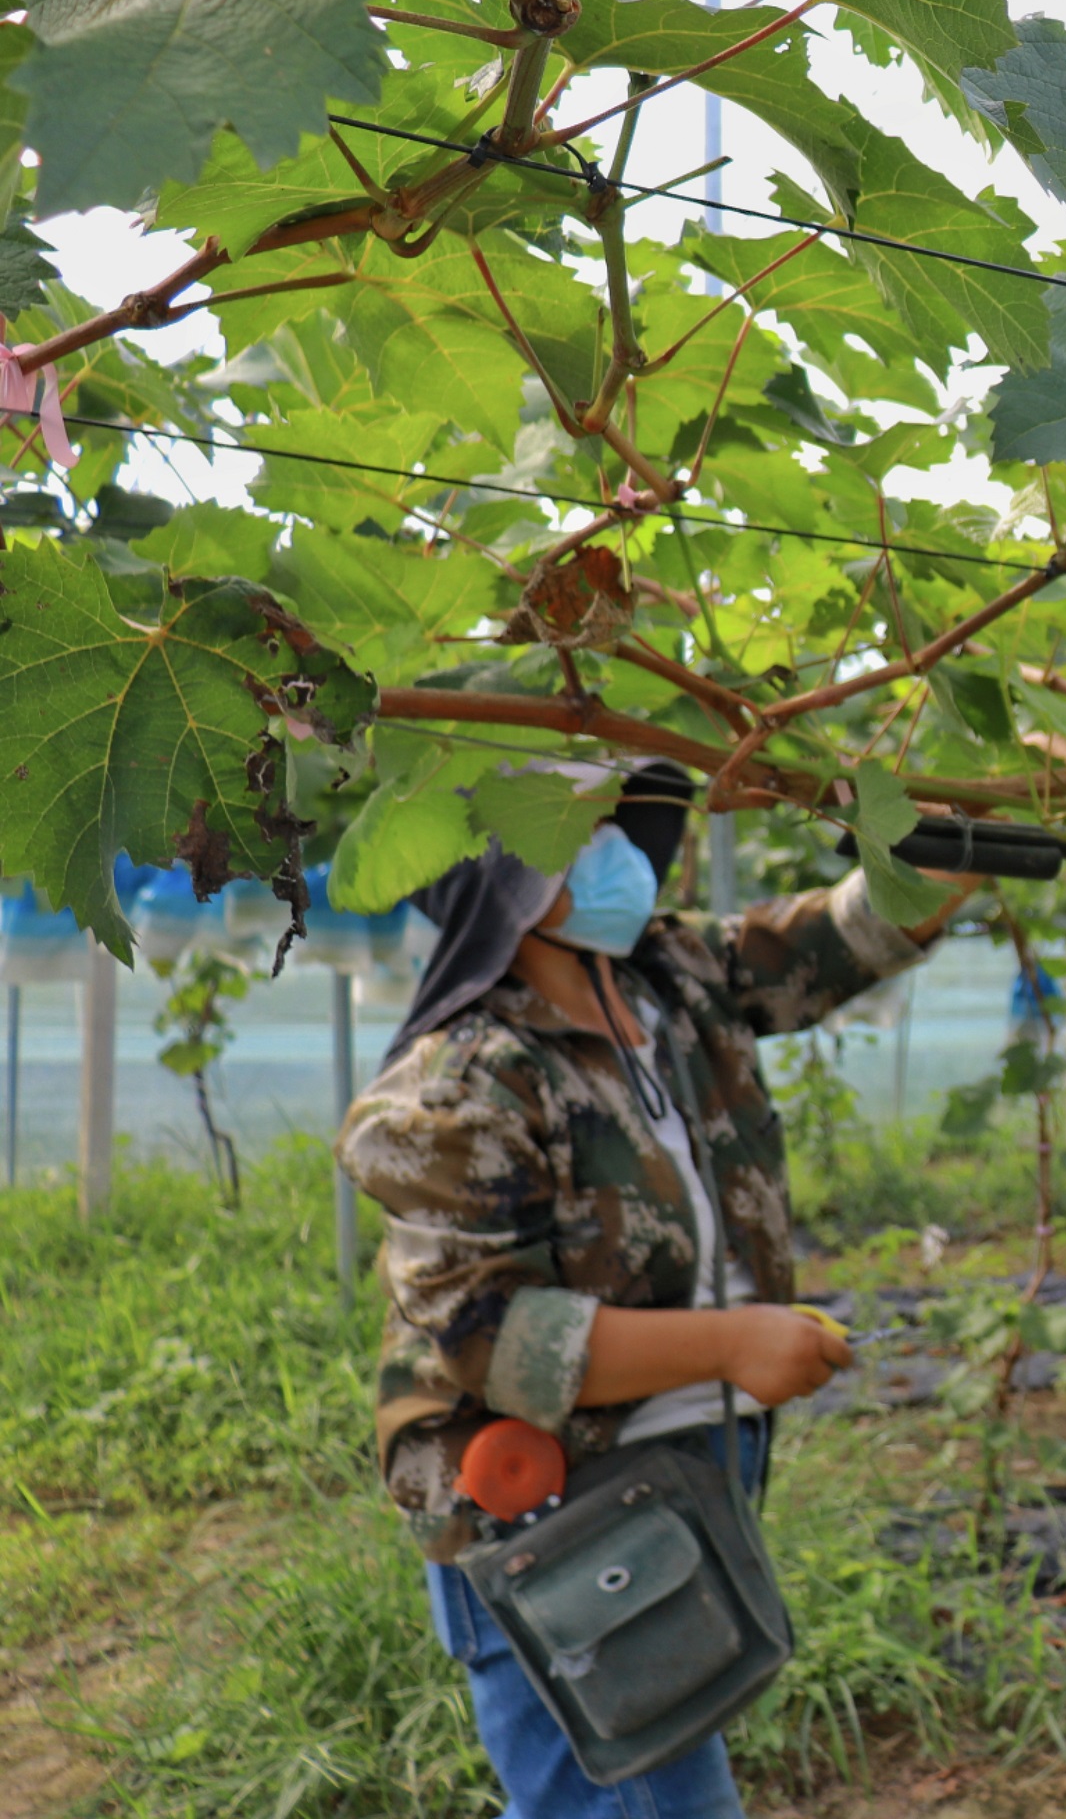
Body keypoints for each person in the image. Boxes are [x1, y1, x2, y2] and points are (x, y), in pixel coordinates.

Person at [338, 763, 970, 1817]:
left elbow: (842, 937)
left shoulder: (664, 975)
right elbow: (491, 1335)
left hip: (683, 1463)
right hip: (550, 1500)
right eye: (582, 827)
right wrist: (730, 1344)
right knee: (642, 1799)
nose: (620, 846)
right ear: (507, 877)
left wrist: (965, 830)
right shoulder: (456, 1085)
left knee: (607, 1794)